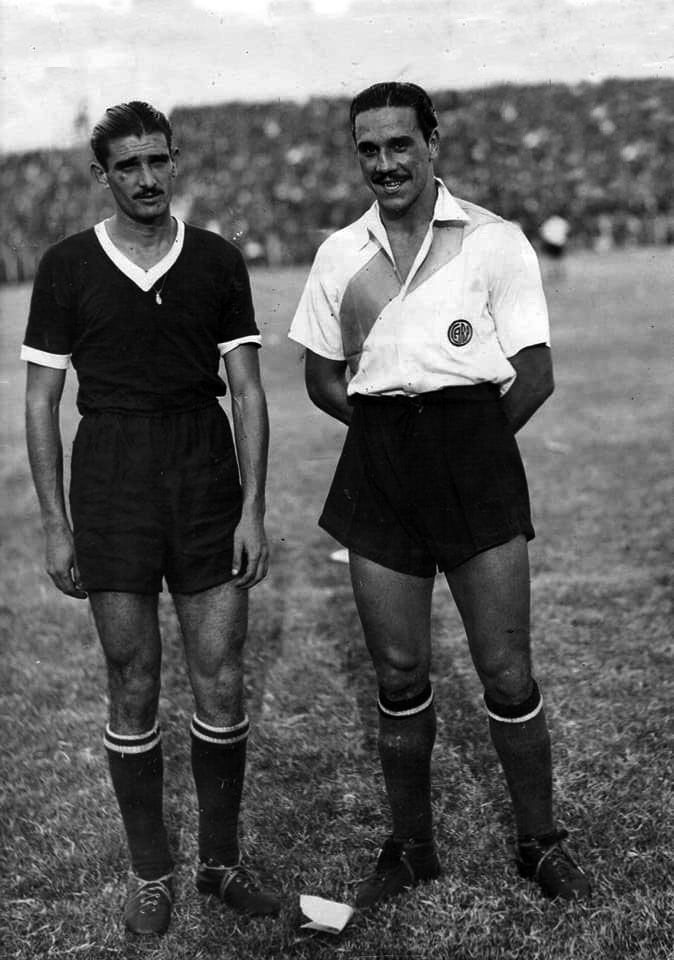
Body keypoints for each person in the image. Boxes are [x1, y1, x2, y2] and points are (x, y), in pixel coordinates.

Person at [289, 82, 591, 908]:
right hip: (380, 464)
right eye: (369, 149)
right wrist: (395, 442)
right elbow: (321, 377)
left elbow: (534, 375)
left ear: (432, 142)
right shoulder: (339, 253)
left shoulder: (493, 240)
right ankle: (413, 847)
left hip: (474, 459)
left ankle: (539, 842)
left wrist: (466, 450)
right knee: (397, 670)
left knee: (506, 670)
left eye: (400, 144)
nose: (385, 163)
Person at [22, 101, 280, 936]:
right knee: (132, 679)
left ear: (174, 161)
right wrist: (56, 524)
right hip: (113, 476)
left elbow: (246, 391)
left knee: (221, 675)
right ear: (102, 174)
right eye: (128, 165)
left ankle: (221, 864)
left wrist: (252, 509)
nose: (146, 178)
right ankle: (150, 872)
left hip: (203, 472)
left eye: (158, 160)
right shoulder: (67, 265)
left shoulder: (216, 259)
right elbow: (41, 401)